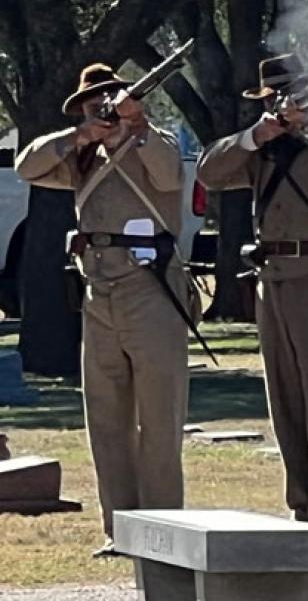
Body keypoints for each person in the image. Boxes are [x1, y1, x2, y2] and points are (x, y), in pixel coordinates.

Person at [16, 65, 189, 556]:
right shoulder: (81, 156)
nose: (102, 111)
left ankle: (163, 528)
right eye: (92, 107)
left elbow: (170, 173)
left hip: (150, 286)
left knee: (159, 416)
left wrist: (136, 127)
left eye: (106, 102)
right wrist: (83, 134)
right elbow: (28, 164)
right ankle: (120, 529)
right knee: (107, 418)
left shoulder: (150, 143)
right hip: (97, 290)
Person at [196, 54, 308, 550]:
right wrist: (256, 134)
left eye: (285, 95)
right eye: (272, 97)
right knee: (286, 398)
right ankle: (301, 505)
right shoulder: (261, 146)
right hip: (272, 277)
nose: (279, 103)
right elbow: (210, 172)